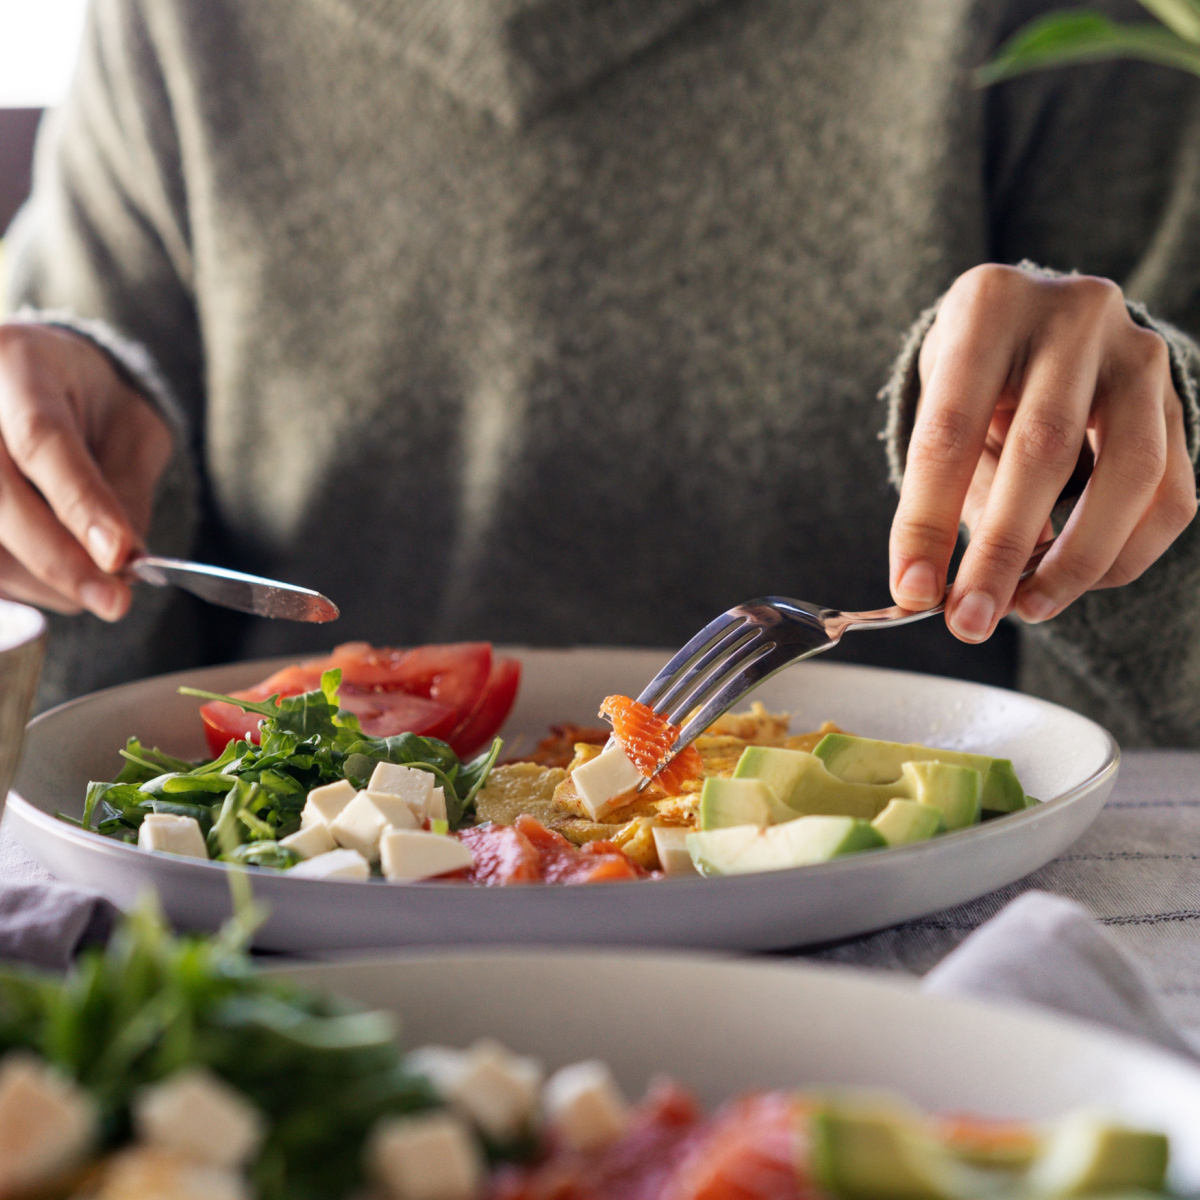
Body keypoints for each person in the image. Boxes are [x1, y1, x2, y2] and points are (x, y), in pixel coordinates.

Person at [1, 0, 1197, 746]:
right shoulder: (173, 24)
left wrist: (1135, 463)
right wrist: (64, 526)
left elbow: (1158, 760)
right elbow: (71, 707)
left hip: (924, 983)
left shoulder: (1068, 29)